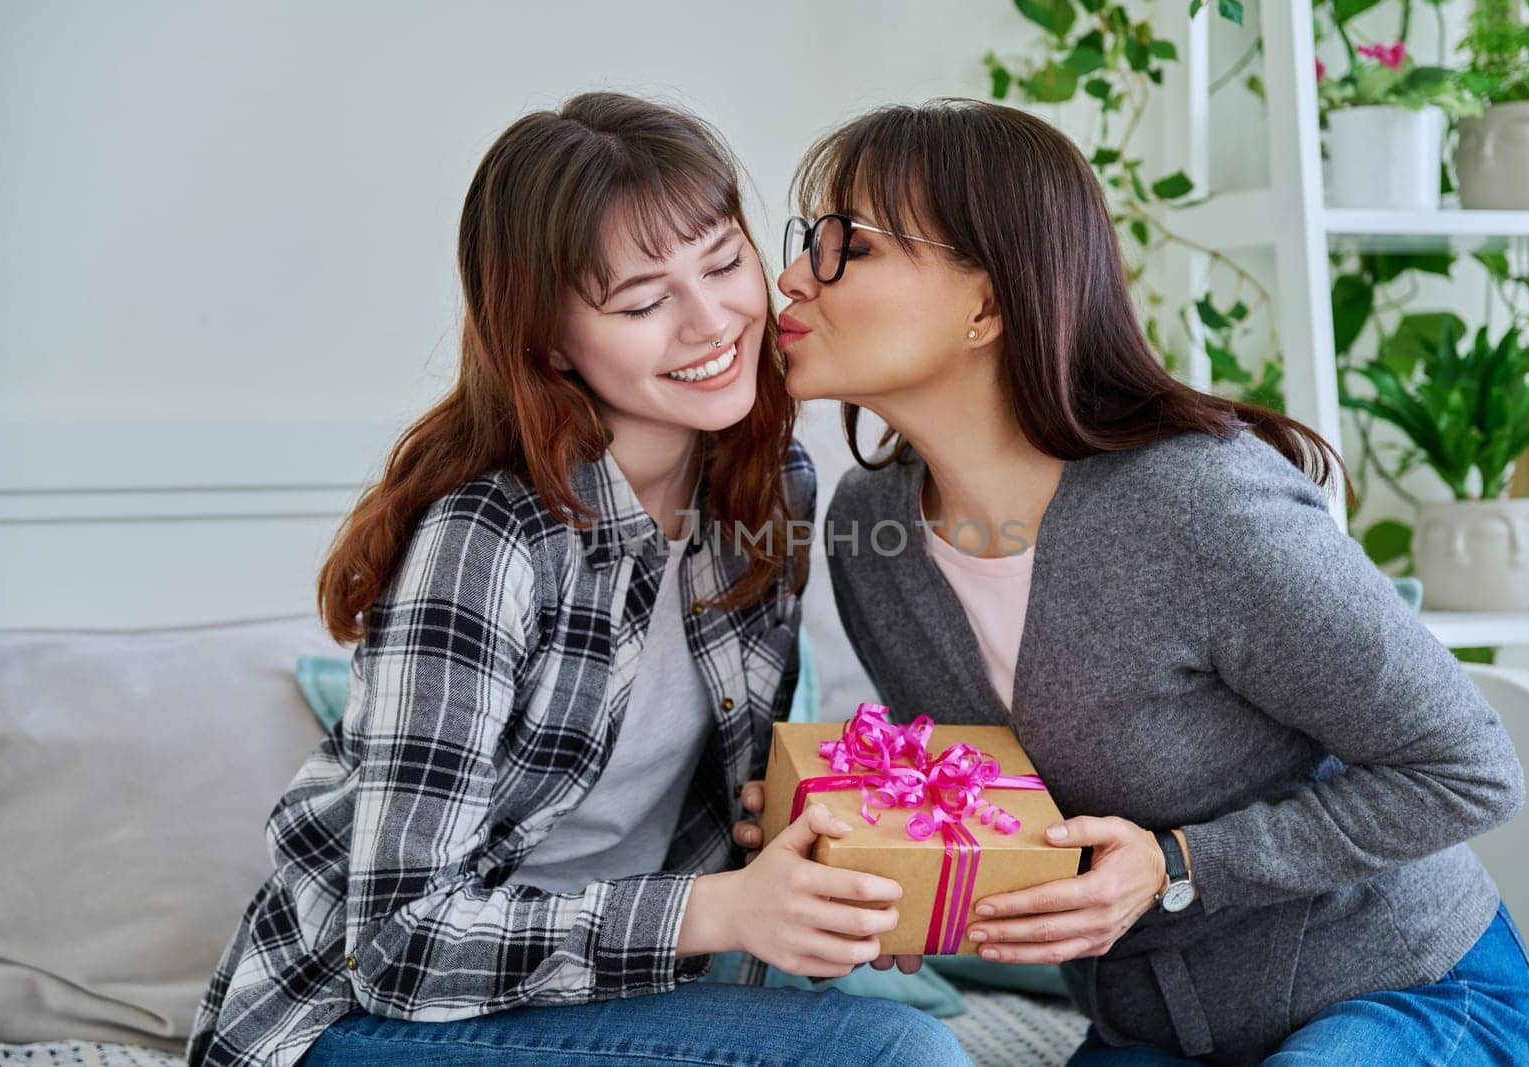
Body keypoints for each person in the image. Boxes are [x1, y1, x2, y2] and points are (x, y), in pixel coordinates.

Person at [732, 97, 1529, 1066]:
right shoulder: (870, 533)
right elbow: (1006, 818)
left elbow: (1468, 769)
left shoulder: (1199, 504)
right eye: (806, 241)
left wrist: (1179, 866)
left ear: (986, 303)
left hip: (1400, 986)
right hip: (1151, 1026)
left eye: (847, 244)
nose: (791, 278)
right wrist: (868, 855)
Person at [186, 91, 971, 1067]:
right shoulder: (486, 540)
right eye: (643, 301)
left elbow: (720, 818)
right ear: (550, 339)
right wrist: (718, 909)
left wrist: (832, 893)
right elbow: (392, 941)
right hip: (357, 1023)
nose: (710, 321)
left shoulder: (767, 487)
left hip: (603, 993)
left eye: (724, 262)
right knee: (896, 1054)